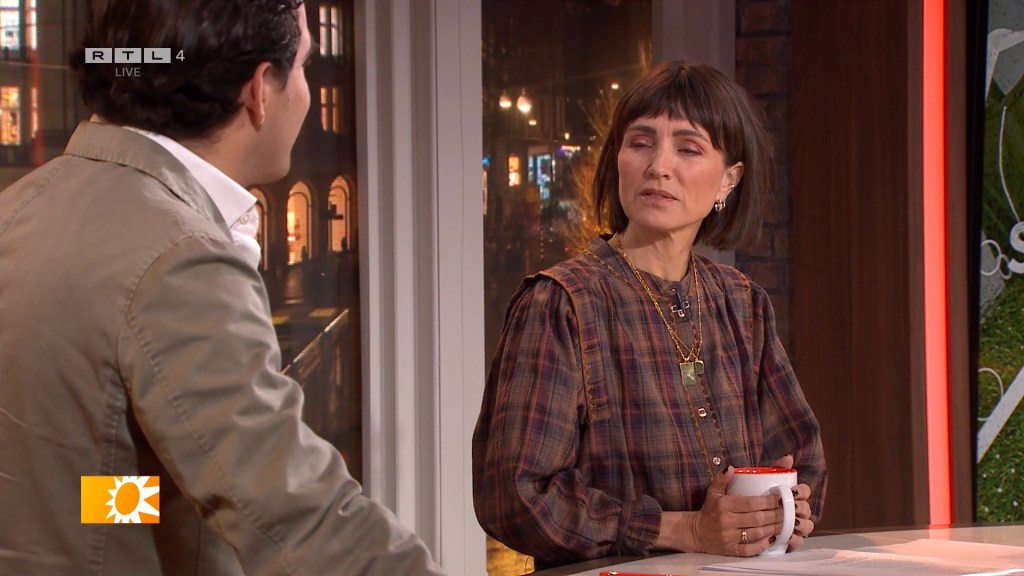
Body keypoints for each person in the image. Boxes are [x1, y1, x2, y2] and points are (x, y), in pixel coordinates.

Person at [0, 2, 444, 575]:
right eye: (303, 66)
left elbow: (71, 485)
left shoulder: (18, 209)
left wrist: (165, 506)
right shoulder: (177, 255)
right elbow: (297, 516)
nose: (306, 93)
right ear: (259, 90)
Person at [472, 60, 827, 568]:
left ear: (728, 180)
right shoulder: (563, 302)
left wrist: (787, 511)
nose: (659, 165)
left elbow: (800, 457)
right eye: (641, 142)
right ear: (617, 159)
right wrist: (683, 528)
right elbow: (515, 496)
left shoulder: (741, 303)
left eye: (688, 148)